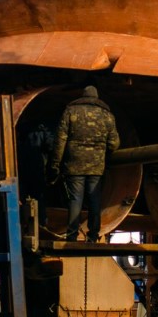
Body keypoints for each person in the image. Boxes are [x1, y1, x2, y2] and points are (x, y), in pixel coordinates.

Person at [49, 85, 120, 242]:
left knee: (75, 199)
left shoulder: (71, 112)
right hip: (96, 165)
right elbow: (114, 143)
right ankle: (93, 235)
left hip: (74, 164)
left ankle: (72, 235)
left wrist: (55, 164)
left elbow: (60, 140)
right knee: (95, 198)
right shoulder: (107, 115)